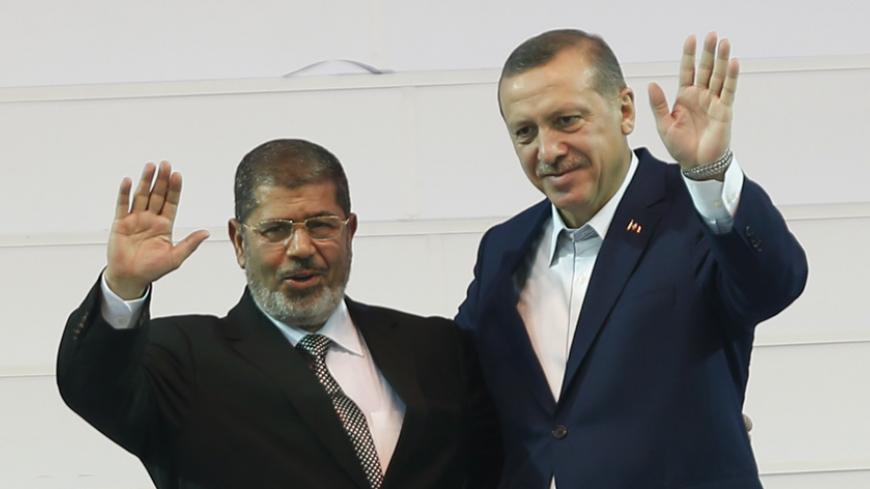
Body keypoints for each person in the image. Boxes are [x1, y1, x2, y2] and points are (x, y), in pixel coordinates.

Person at [456, 29, 808, 489]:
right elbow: (458, 379)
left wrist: (711, 171)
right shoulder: (504, 247)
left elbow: (775, 283)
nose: (547, 151)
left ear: (624, 110)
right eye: (525, 132)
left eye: (566, 120)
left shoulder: (696, 212)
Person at [57, 139, 500, 489]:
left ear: (350, 232)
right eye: (275, 230)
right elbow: (93, 387)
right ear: (238, 242)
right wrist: (124, 287)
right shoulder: (185, 359)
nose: (301, 249)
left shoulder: (436, 347)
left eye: (322, 225)